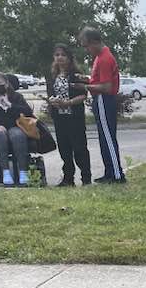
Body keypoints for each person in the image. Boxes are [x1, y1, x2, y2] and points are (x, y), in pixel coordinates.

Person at [78, 27, 125, 183]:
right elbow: (98, 81)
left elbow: (107, 87)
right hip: (100, 100)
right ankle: (109, 172)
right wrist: (87, 80)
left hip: (105, 99)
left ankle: (117, 175)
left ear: (95, 42)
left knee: (108, 138)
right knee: (103, 138)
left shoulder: (105, 58)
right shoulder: (99, 57)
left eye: (87, 46)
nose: (86, 49)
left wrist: (85, 87)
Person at [46, 44, 91, 186]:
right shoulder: (52, 75)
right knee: (64, 149)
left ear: (69, 58)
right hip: (59, 117)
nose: (60, 57)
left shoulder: (76, 74)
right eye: (57, 55)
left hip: (74, 117)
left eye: (63, 55)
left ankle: (86, 178)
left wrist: (69, 102)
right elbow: (51, 94)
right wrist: (52, 100)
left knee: (79, 148)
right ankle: (68, 178)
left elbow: (84, 95)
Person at [0, 72, 34, 186]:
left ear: (6, 83)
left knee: (17, 135)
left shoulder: (16, 97)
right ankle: (5, 172)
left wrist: (10, 105)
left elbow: (27, 111)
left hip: (15, 125)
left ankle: (23, 171)